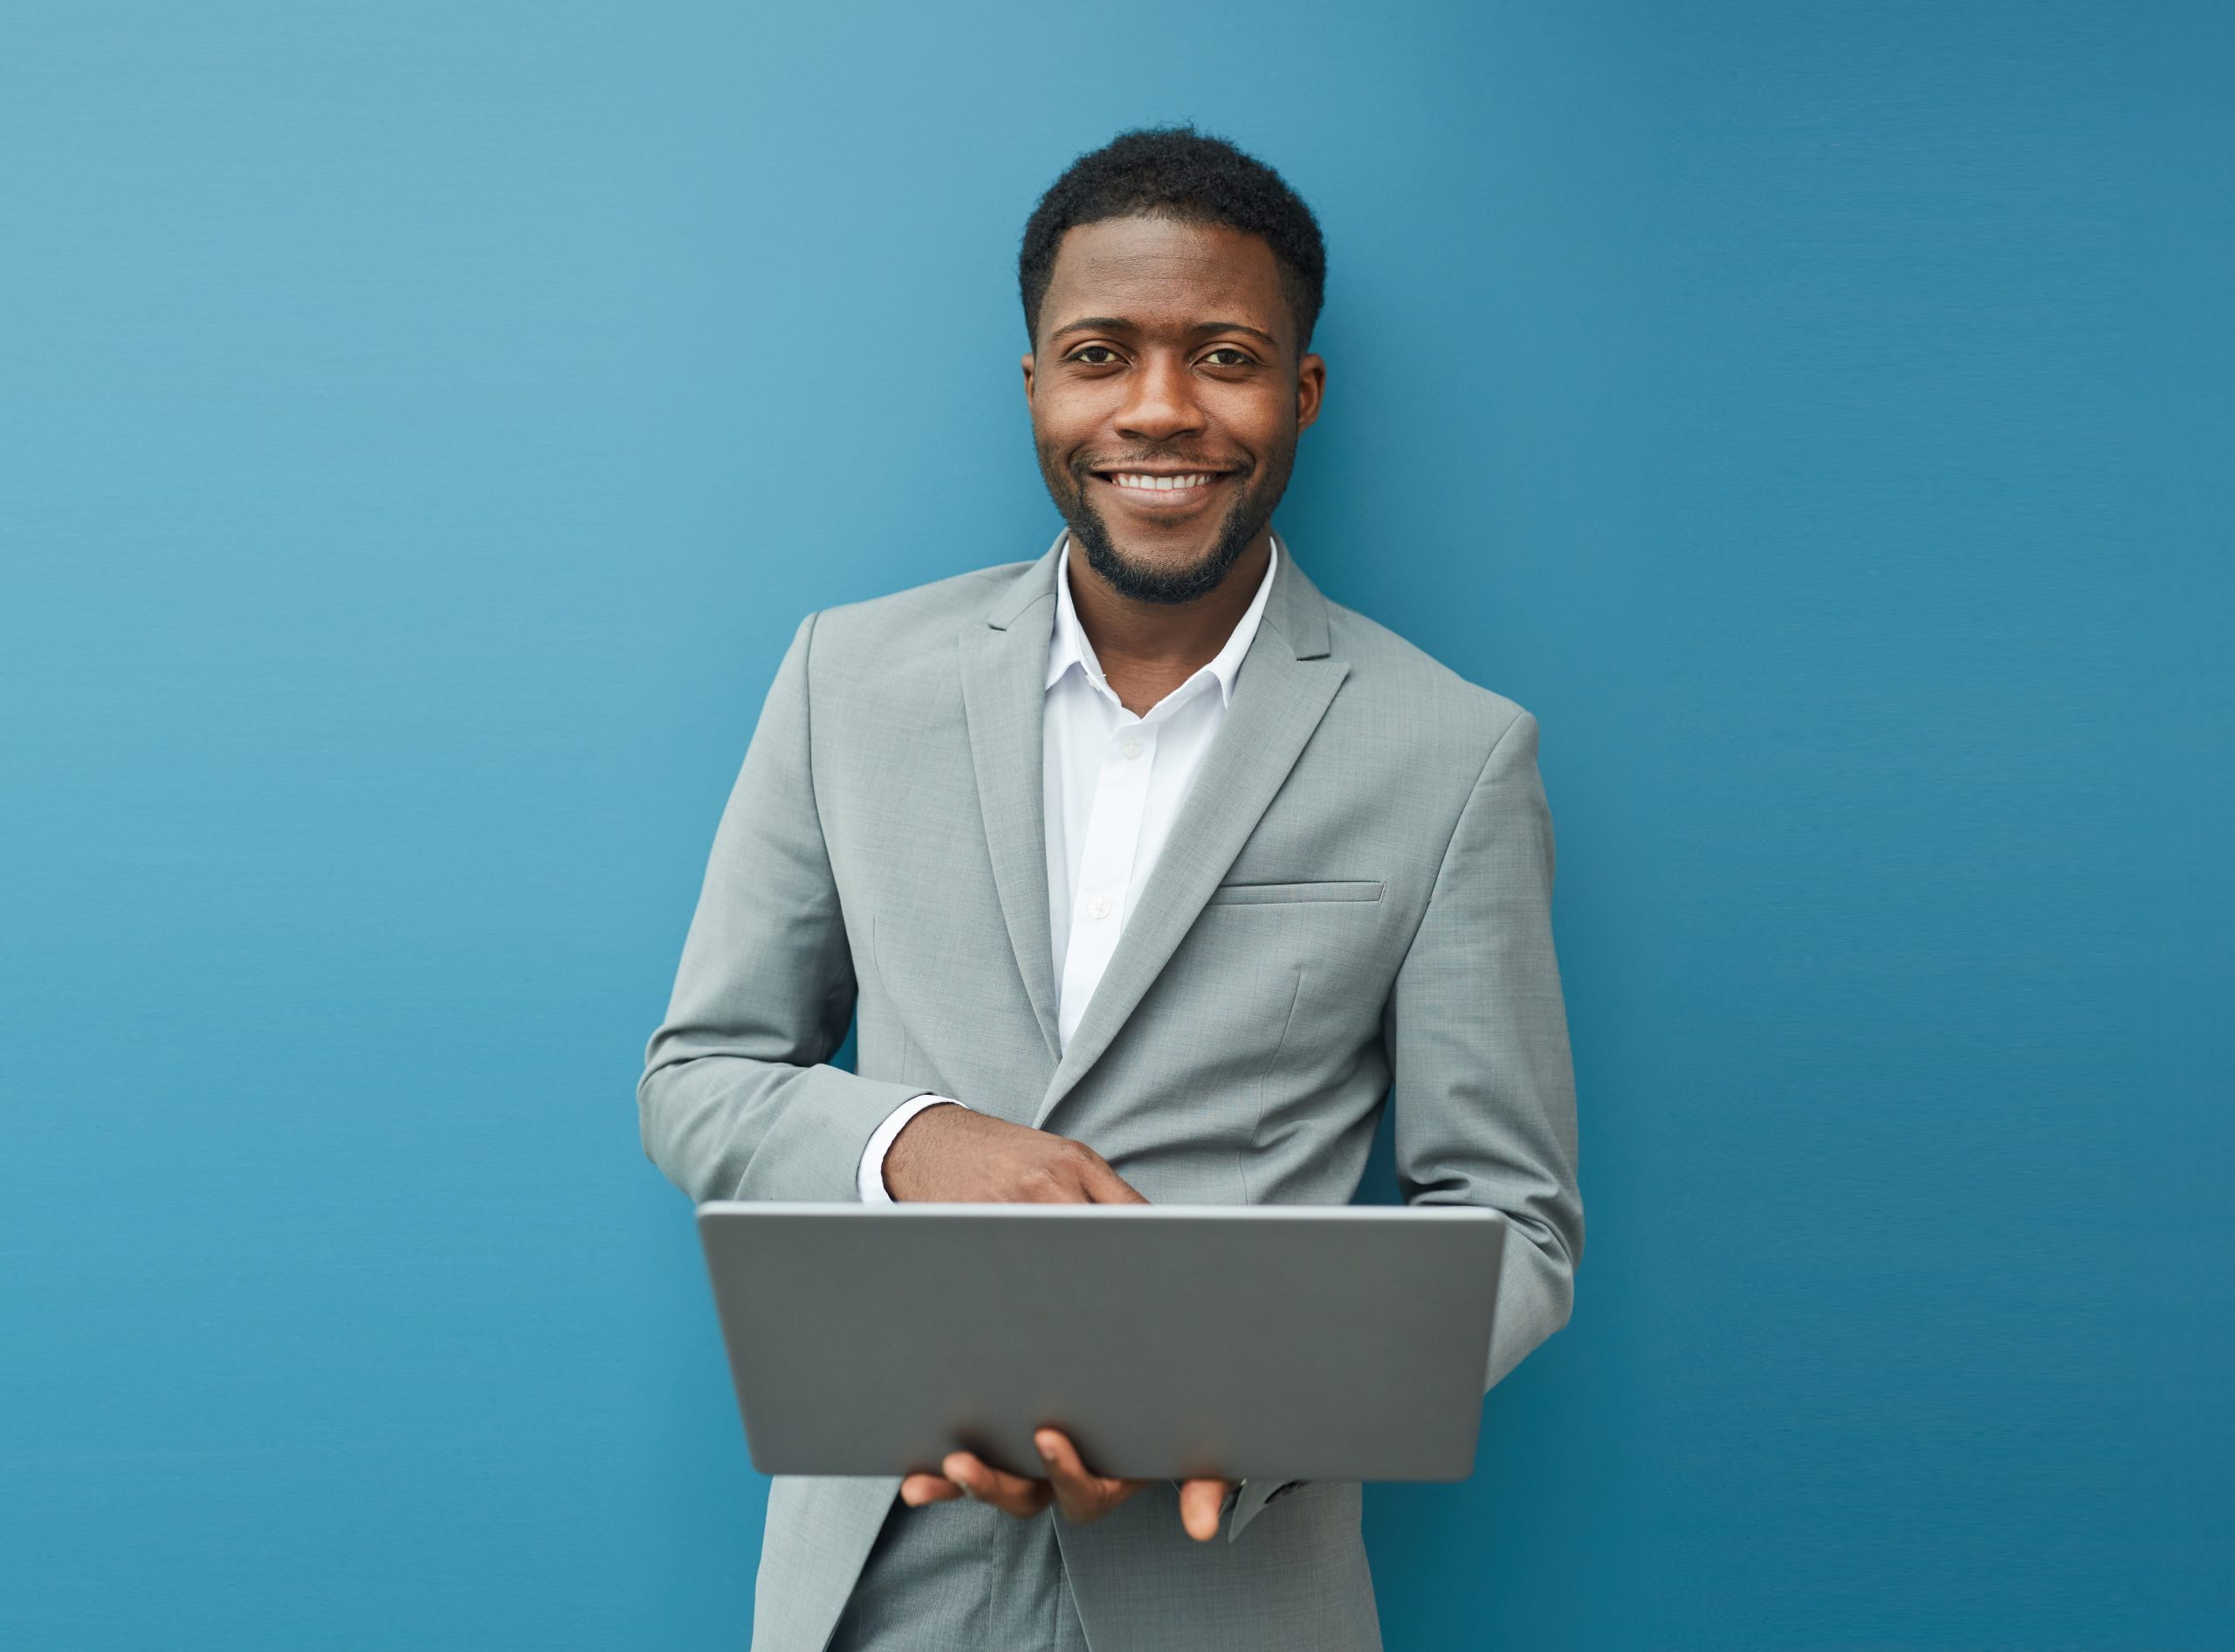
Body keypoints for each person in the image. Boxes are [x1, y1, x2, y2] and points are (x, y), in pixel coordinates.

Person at [639, 125, 1583, 1652]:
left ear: (1302, 394)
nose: (1160, 409)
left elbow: (1513, 1221)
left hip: (1229, 1583)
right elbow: (698, 1078)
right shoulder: (846, 681)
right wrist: (917, 1141)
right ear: (1035, 388)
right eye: (1100, 353)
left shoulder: (1454, 754)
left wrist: (1248, 1412)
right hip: (874, 1577)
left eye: (1224, 355)